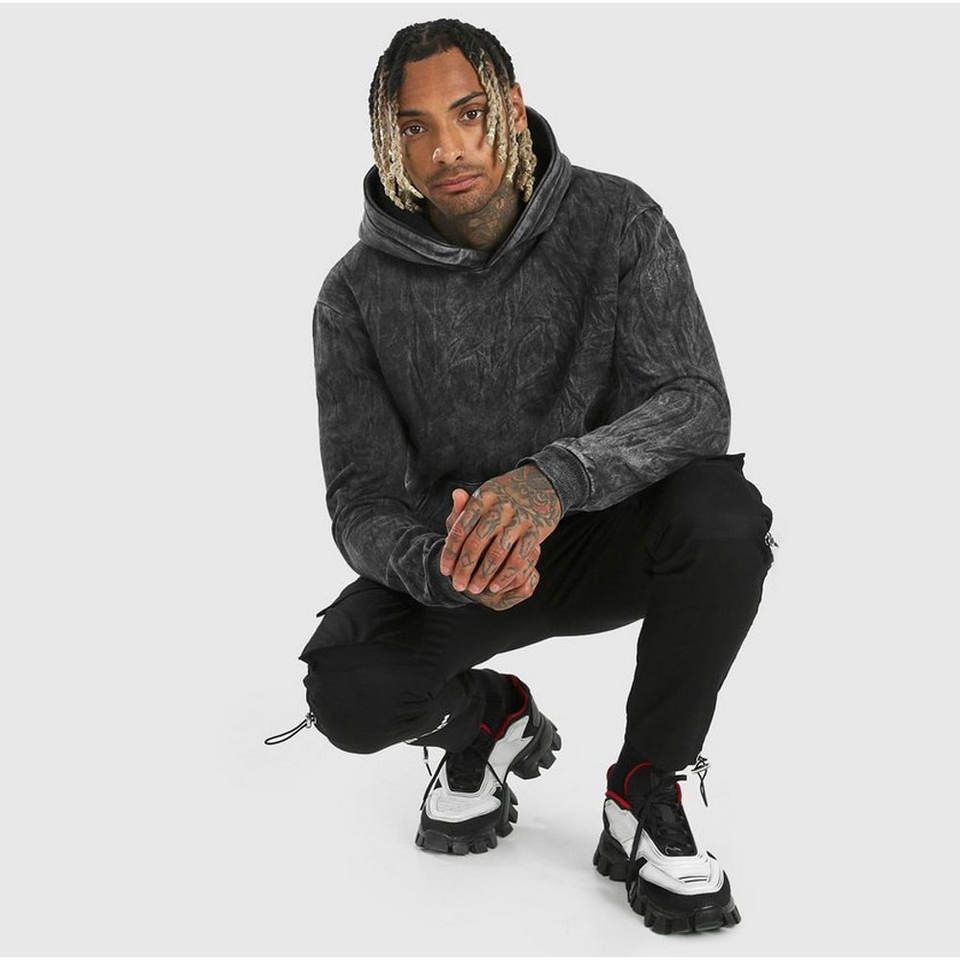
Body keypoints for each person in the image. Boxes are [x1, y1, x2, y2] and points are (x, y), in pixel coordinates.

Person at [266, 18, 777, 936]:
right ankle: (487, 720)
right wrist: (442, 565)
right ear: (387, 139)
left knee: (723, 516)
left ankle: (646, 784)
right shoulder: (352, 295)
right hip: (467, 567)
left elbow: (697, 403)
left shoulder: (618, 219)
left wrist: (552, 481)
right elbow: (360, 500)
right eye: (415, 126)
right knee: (348, 693)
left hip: (617, 537)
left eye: (468, 114)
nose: (448, 149)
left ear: (510, 105)